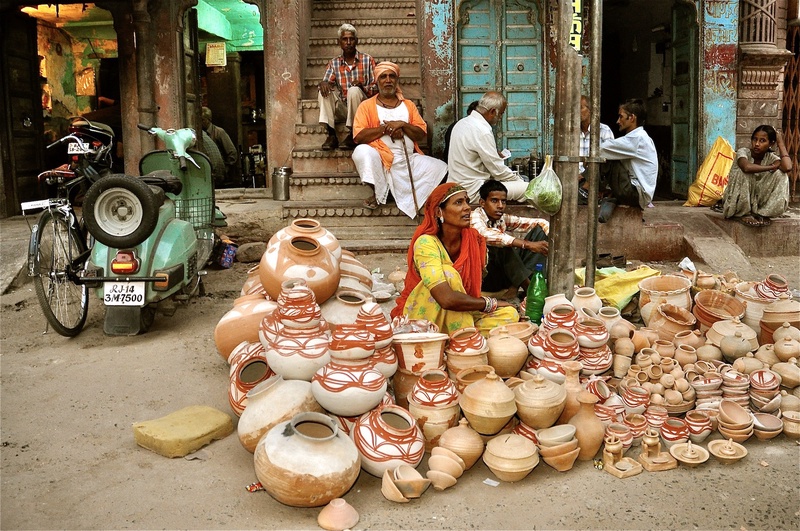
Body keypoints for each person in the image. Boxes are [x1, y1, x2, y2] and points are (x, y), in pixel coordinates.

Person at [390, 182, 519, 335]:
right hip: (427, 311)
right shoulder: (426, 243)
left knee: (510, 314)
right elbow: (446, 299)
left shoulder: (473, 239)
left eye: (467, 201)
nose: (467, 208)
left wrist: (491, 305)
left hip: (459, 309)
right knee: (449, 274)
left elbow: (466, 294)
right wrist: (491, 303)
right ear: (439, 212)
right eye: (458, 202)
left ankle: (455, 334)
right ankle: (464, 337)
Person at [352, 61, 447, 218]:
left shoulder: (408, 105)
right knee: (361, 152)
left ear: (397, 80)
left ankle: (407, 195)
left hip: (407, 159)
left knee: (441, 168)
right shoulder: (366, 106)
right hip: (382, 159)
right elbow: (359, 136)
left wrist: (403, 125)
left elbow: (420, 133)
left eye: (392, 76)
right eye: (383, 77)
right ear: (377, 81)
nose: (388, 80)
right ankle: (379, 192)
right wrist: (386, 129)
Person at [470, 180, 549, 299]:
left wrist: (553, 240)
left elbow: (539, 222)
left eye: (503, 201)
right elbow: (484, 234)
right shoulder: (475, 216)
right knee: (502, 244)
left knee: (539, 231)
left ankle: (523, 285)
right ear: (482, 202)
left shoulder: (501, 218)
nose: (500, 206)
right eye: (494, 201)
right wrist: (527, 244)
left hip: (505, 275)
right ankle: (528, 288)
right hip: (484, 276)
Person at [446, 91, 528, 203]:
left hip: (455, 187)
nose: (500, 118)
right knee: (528, 189)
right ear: (493, 112)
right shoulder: (481, 130)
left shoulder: (461, 123)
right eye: (501, 114)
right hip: (472, 191)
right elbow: (498, 170)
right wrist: (519, 181)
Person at [597, 98, 658, 223]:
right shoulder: (638, 137)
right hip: (638, 193)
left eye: (621, 117)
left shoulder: (637, 139)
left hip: (636, 194)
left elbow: (600, 149)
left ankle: (586, 189)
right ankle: (608, 196)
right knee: (612, 155)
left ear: (632, 118)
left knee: (610, 158)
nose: (618, 121)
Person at [318, 23, 377, 150]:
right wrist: (323, 83)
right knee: (323, 92)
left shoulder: (367, 60)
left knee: (354, 90)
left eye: (351, 39)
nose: (348, 42)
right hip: (344, 109)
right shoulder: (334, 63)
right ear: (339, 42)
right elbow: (326, 83)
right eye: (345, 39)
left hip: (363, 108)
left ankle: (354, 133)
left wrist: (362, 87)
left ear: (357, 41)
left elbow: (376, 88)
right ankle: (331, 134)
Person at [721, 125, 791, 226]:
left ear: (771, 143)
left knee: (781, 175)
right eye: (755, 139)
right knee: (744, 172)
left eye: (762, 141)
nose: (757, 144)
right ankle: (743, 213)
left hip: (757, 200)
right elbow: (746, 167)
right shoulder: (743, 152)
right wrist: (771, 167)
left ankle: (763, 213)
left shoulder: (771, 157)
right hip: (736, 201)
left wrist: (780, 143)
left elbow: (787, 167)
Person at [578, 95, 614, 202]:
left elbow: (609, 160)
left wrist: (584, 175)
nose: (577, 112)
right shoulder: (571, 132)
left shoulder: (604, 131)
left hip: (594, 179)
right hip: (574, 179)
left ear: (590, 110)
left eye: (581, 108)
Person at [201, 106, 238, 186]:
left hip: (220, 172)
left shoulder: (219, 132)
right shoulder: (200, 133)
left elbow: (232, 152)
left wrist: (226, 168)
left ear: (209, 119)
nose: (201, 123)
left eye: (203, 120)